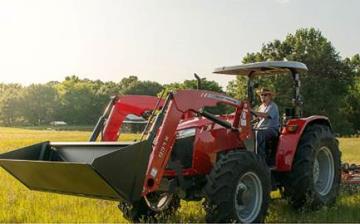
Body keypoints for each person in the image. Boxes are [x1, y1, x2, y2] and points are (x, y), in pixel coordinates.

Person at [251, 88, 280, 162]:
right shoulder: (261, 107)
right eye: (261, 95)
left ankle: (260, 159)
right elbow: (258, 119)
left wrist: (252, 111)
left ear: (270, 96)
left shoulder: (273, 106)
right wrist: (250, 123)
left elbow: (266, 115)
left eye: (265, 95)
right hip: (261, 128)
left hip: (272, 129)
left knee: (259, 133)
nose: (263, 96)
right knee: (249, 131)